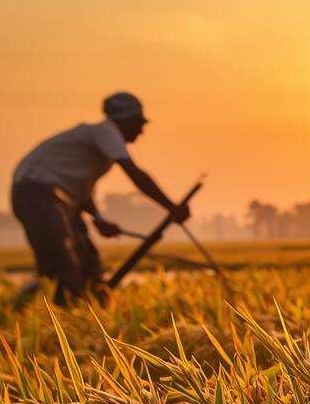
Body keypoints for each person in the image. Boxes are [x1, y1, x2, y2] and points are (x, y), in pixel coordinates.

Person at [10, 92, 190, 304]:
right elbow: (135, 174)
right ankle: (53, 318)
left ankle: (86, 309)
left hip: (58, 200)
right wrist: (171, 207)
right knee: (61, 264)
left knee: (88, 265)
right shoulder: (106, 131)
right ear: (125, 120)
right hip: (37, 195)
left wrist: (98, 217)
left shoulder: (97, 145)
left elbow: (82, 190)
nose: (141, 130)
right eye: (139, 123)